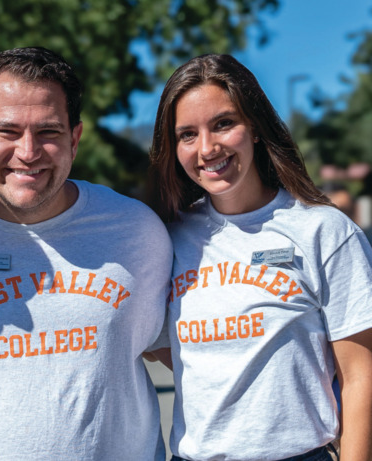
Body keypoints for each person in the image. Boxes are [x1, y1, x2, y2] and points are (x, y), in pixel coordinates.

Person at [0, 46, 173, 460]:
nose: (28, 152)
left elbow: (189, 355)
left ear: (74, 139)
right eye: (7, 131)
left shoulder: (138, 232)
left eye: (48, 132)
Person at [149, 54, 372, 461]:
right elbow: (159, 346)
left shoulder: (323, 231)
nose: (207, 148)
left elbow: (361, 375)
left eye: (223, 124)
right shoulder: (166, 237)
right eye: (187, 134)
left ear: (254, 127)